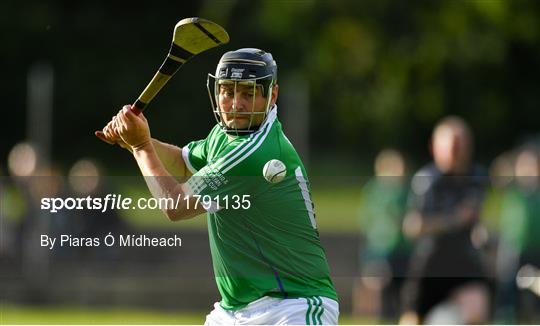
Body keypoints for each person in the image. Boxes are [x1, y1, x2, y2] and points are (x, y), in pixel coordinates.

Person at [96, 48, 339, 325]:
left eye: (248, 93)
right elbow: (182, 162)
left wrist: (140, 146)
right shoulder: (225, 135)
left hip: (294, 306)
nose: (235, 104)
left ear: (272, 95)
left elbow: (175, 206)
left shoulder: (255, 151)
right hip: (233, 310)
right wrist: (134, 139)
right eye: (227, 91)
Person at [399, 116, 490, 324]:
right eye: (453, 145)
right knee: (412, 319)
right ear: (436, 147)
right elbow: (413, 227)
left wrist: (481, 234)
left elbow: (476, 219)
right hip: (430, 263)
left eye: (462, 144)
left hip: (464, 261)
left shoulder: (477, 178)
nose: (458, 151)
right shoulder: (427, 181)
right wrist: (453, 220)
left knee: (477, 308)